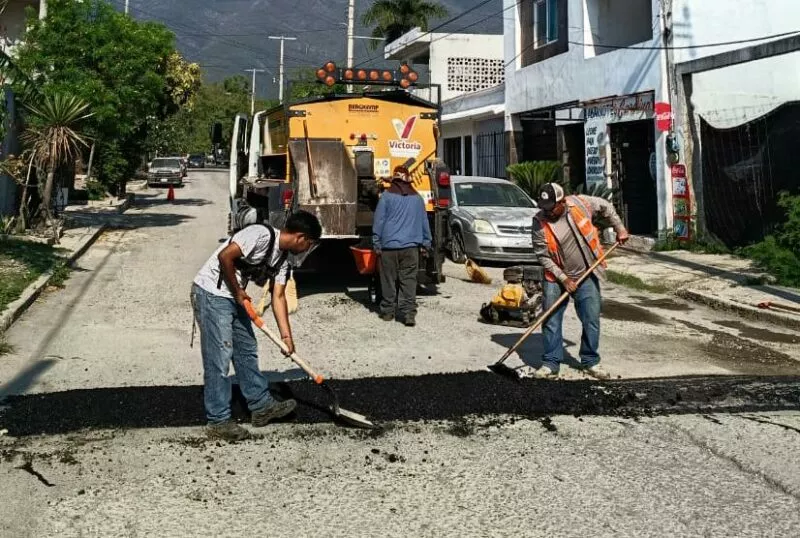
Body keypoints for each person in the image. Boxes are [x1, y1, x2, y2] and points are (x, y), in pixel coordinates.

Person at [191, 210, 322, 441]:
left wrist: (287, 337)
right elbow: (225, 257)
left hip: (233, 297)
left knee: (246, 349)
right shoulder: (259, 235)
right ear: (300, 237)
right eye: (309, 244)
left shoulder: (282, 261)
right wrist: (239, 292)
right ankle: (218, 421)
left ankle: (261, 406)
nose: (307, 249)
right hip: (211, 293)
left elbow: (278, 297)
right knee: (219, 357)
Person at [528, 183, 629, 380]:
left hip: (586, 272)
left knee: (591, 319)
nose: (546, 212)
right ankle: (550, 362)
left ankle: (590, 361)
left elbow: (606, 206)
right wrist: (564, 279)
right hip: (556, 277)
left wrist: (620, 228)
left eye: (551, 207)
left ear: (562, 201)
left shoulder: (581, 204)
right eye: (543, 207)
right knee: (551, 319)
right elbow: (543, 256)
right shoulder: (538, 221)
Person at [372, 166, 432, 327]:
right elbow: (424, 222)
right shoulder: (418, 198)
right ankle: (408, 314)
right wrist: (426, 243)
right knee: (409, 281)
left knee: (388, 281)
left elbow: (379, 221)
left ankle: (388, 312)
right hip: (411, 248)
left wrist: (376, 242)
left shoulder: (386, 197)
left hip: (388, 248)